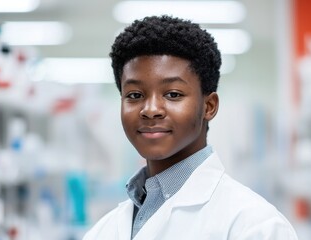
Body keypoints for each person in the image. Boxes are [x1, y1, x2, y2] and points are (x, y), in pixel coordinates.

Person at [83, 15, 298, 240]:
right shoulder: (102, 232)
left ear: (209, 106)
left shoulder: (253, 227)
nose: (151, 109)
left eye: (173, 94)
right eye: (135, 95)